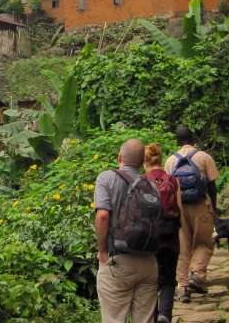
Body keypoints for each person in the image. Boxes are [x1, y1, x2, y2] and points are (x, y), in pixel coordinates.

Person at [93, 139, 158, 323]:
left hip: (118, 261)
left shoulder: (106, 178)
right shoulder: (151, 185)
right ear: (142, 162)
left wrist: (102, 250)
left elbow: (103, 215)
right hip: (148, 262)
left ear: (119, 157)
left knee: (114, 319)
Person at [164, 126, 220, 302]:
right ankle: (197, 274)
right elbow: (212, 186)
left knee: (183, 247)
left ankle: (182, 287)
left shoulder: (170, 161)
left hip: (179, 209)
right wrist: (214, 208)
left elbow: (169, 189)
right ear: (192, 139)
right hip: (200, 206)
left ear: (177, 141)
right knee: (204, 243)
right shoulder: (204, 157)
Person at [144, 143, 181, 323]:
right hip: (170, 236)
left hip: (149, 238)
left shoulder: (141, 181)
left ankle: (154, 315)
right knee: (168, 280)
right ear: (161, 158)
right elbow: (179, 208)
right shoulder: (172, 180)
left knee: (150, 281)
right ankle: (165, 314)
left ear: (145, 161)